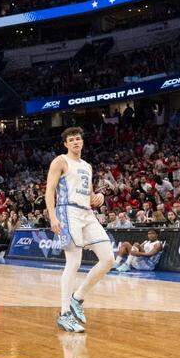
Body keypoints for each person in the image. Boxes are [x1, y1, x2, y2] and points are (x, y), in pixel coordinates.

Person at [45, 127, 112, 334]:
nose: (75, 142)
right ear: (66, 144)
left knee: (108, 259)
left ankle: (78, 297)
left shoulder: (87, 165)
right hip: (68, 212)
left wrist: (98, 197)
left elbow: (89, 194)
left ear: (82, 142)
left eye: (78, 139)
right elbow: (49, 189)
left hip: (86, 213)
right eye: (71, 140)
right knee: (74, 261)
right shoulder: (60, 161)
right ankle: (64, 314)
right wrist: (53, 216)